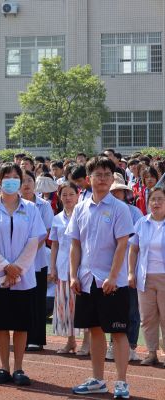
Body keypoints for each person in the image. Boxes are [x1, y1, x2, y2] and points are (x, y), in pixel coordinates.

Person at [66, 157, 134, 399]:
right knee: (94, 330)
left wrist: (114, 277)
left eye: (107, 174)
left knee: (118, 332)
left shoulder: (120, 208)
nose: (103, 178)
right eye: (98, 174)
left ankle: (122, 382)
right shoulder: (81, 208)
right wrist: (74, 275)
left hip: (112, 282)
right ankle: (97, 379)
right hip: (86, 280)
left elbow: (122, 245)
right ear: (88, 179)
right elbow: (75, 244)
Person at [0, 162, 46, 386]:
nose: (11, 180)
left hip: (24, 277)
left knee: (22, 324)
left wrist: (18, 269)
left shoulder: (31, 209)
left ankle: (19, 368)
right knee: (2, 324)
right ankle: (4, 367)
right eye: (7, 177)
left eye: (16, 176)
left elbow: (35, 240)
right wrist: (4, 267)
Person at [48, 181, 89, 354]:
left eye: (71, 194)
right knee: (65, 307)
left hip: (82, 267)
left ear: (78, 195)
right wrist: (52, 268)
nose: (68, 198)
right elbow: (54, 245)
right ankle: (71, 341)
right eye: (64, 194)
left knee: (83, 306)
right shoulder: (57, 218)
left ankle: (87, 343)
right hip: (62, 267)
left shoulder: (84, 215)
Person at [107, 173, 143, 362]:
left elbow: (138, 241)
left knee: (132, 308)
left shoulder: (135, 213)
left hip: (129, 266)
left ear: (124, 192)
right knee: (113, 307)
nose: (115, 194)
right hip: (109, 266)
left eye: (119, 191)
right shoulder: (102, 211)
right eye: (113, 191)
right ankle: (113, 344)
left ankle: (131, 346)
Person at [128, 187, 165, 368]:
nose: (156, 203)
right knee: (148, 317)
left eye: (160, 199)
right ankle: (151, 353)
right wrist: (130, 272)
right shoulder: (142, 223)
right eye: (153, 200)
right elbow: (133, 249)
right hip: (145, 277)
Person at [20, 170, 54, 351]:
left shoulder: (44, 205)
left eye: (29, 181)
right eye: (23, 181)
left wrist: (29, 250)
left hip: (37, 259)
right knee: (22, 300)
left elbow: (46, 232)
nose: (26, 184)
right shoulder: (14, 204)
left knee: (38, 299)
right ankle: (21, 337)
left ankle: (37, 337)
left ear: (35, 184)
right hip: (17, 260)